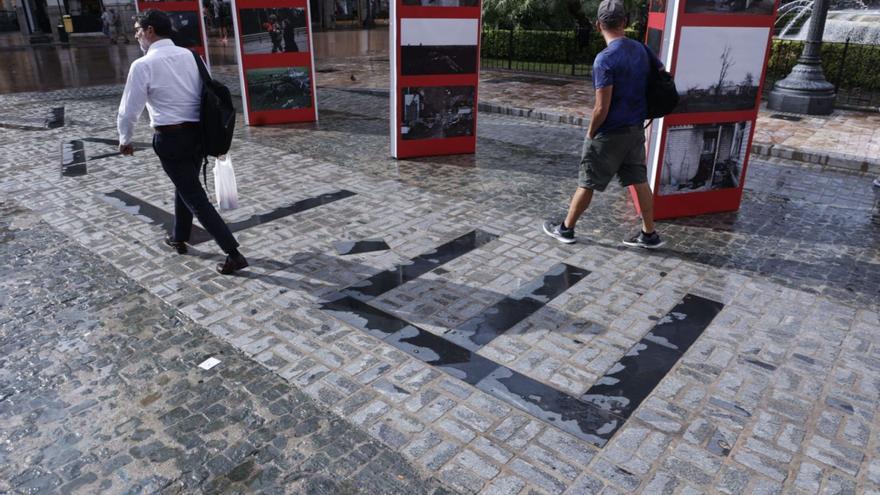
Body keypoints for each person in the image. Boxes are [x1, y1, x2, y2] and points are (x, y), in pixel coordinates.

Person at [117, 10, 248, 275]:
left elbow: (129, 109)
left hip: (171, 139)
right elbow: (205, 93)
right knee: (185, 184)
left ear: (151, 30)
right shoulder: (192, 56)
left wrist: (125, 139)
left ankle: (233, 253)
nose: (136, 35)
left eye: (138, 30)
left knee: (194, 196)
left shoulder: (143, 65)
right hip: (198, 136)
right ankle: (179, 236)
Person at [543, 0, 665, 249]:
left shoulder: (605, 60)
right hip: (635, 129)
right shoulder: (641, 50)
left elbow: (602, 107)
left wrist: (590, 133)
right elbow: (660, 74)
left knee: (587, 181)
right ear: (625, 22)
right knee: (639, 180)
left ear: (598, 25)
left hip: (610, 133)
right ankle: (649, 233)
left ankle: (566, 229)